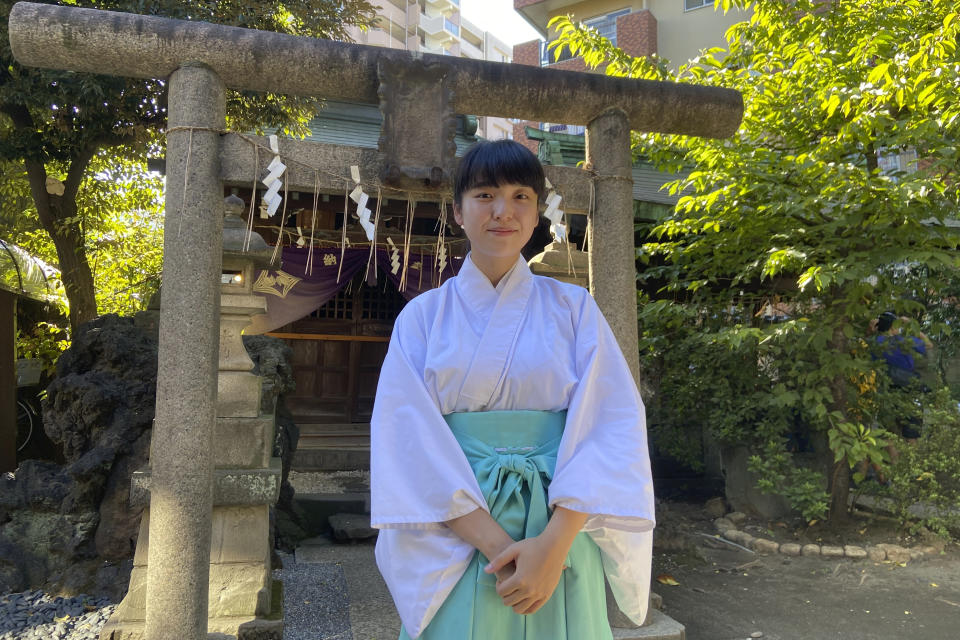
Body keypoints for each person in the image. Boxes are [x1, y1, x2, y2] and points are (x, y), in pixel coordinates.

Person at [370, 139, 655, 639]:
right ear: (458, 212)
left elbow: (609, 426)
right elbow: (407, 442)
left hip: (559, 528)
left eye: (521, 196)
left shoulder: (574, 309)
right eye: (485, 195)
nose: (503, 211)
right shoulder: (422, 318)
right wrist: (499, 550)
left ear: (537, 210)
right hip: (460, 535)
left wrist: (550, 548)